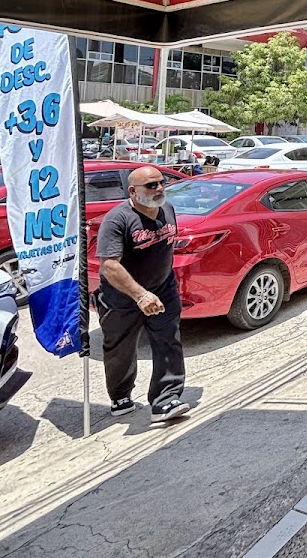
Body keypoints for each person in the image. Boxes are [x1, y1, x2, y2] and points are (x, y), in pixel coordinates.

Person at [95, 166, 191, 423]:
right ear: (132, 191)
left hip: (163, 290)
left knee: (168, 340)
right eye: (151, 185)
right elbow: (109, 266)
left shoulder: (167, 209)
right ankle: (120, 395)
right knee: (120, 348)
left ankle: (165, 399)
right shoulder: (117, 219)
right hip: (123, 296)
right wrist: (140, 295)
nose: (159, 188)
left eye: (161, 182)